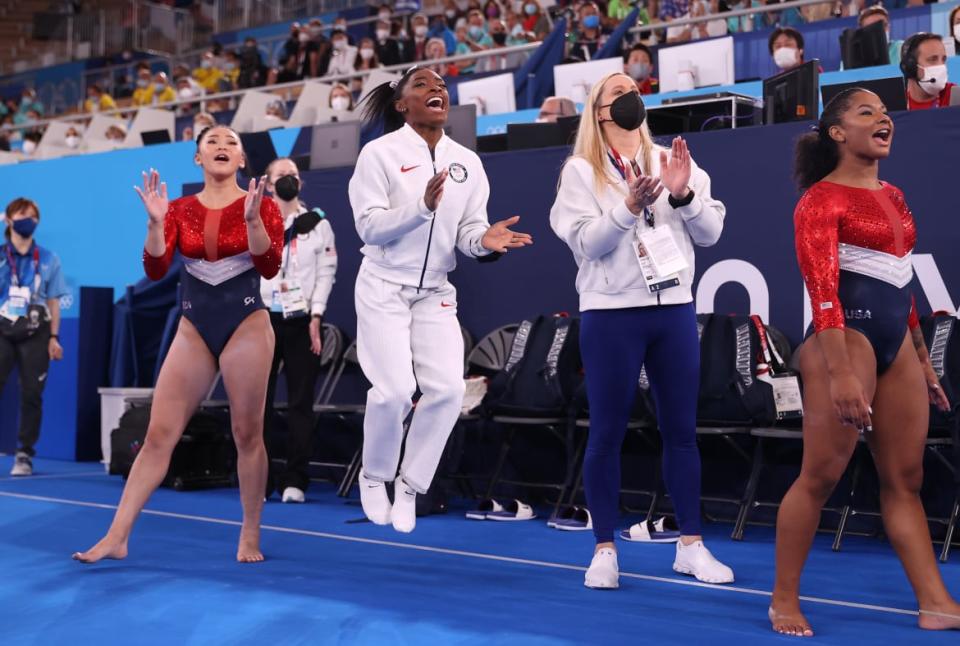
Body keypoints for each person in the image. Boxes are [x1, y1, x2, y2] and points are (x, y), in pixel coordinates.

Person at [769, 87, 960, 637]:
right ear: (836, 132)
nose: (884, 119)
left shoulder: (896, 197)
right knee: (821, 475)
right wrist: (842, 372)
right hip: (840, 338)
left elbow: (902, 284)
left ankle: (937, 602)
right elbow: (823, 292)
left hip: (894, 341)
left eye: (885, 112)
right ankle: (784, 599)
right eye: (866, 112)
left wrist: (922, 363)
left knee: (906, 477)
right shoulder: (819, 200)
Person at [549, 71, 733, 589]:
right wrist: (628, 207)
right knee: (606, 432)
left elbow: (712, 231)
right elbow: (586, 243)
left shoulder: (672, 159)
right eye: (617, 93)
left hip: (672, 307)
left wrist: (682, 197)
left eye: (634, 89)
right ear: (601, 112)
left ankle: (690, 545)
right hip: (610, 312)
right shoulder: (581, 172)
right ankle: (604, 548)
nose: (631, 97)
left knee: (681, 431)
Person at [73, 125, 284, 564]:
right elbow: (155, 269)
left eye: (231, 144)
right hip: (194, 327)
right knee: (157, 435)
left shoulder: (261, 204)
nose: (222, 147)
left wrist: (252, 221)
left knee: (247, 434)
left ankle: (250, 532)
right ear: (197, 158)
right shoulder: (177, 208)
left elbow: (268, 266)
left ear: (242, 160)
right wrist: (154, 223)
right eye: (213, 142)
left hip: (246, 321)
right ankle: (117, 535)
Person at [347, 67, 532, 533]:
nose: (437, 90)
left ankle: (410, 486)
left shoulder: (467, 160)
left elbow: (468, 231)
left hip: (435, 291)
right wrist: (421, 209)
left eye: (442, 86)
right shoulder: (379, 155)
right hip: (384, 284)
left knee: (449, 391)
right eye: (423, 85)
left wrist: (483, 242)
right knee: (392, 392)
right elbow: (369, 226)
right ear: (401, 104)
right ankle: (375, 476)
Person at [259, 158, 337, 504]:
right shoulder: (256, 220)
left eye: (293, 175)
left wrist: (316, 317)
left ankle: (295, 479)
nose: (288, 180)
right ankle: (258, 478)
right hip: (262, 319)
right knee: (258, 401)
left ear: (300, 183)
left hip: (302, 319)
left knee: (300, 402)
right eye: (281, 175)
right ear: (267, 182)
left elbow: (326, 272)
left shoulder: (318, 224)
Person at [0, 198, 68, 477]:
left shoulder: (49, 258)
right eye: (22, 214)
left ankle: (24, 454)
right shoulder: (2, 256)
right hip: (2, 327)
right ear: (9, 220)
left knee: (32, 393)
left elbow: (53, 300)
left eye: (33, 215)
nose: (28, 218)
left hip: (37, 329)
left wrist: (54, 337)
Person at [901, 33, 954, 111]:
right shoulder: (894, 105)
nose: (941, 66)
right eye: (932, 59)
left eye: (943, 59)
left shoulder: (955, 96)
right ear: (910, 67)